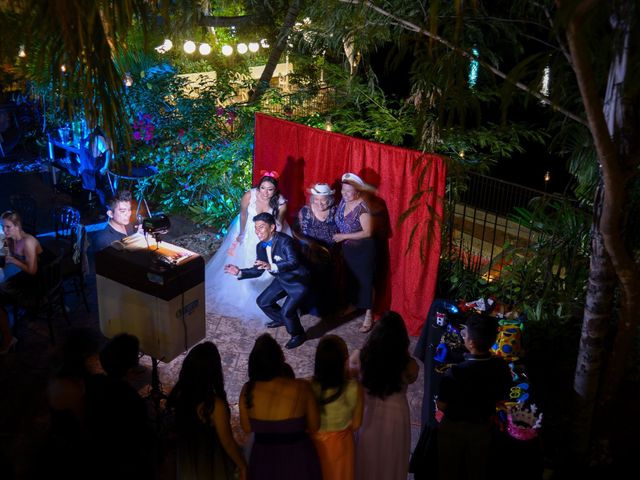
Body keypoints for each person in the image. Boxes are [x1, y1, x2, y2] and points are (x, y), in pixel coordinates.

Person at [436, 314, 512, 480]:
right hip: (482, 429)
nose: (464, 336)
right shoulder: (501, 367)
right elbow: (502, 396)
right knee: (476, 471)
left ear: (471, 342)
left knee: (449, 471)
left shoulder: (455, 372)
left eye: (465, 333)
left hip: (453, 430)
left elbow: (442, 405)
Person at [205, 172, 290, 321]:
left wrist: (270, 237)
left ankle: (267, 295)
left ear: (275, 190)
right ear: (258, 187)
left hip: (268, 234)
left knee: (267, 262)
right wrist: (242, 233)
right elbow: (243, 214)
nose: (265, 192)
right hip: (249, 230)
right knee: (244, 258)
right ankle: (242, 293)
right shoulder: (249, 196)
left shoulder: (281, 203)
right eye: (262, 188)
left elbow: (279, 225)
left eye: (270, 189)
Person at [239, 334, 321, 480]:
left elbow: (246, 428)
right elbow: (314, 426)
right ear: (280, 359)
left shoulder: (247, 390)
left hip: (263, 459)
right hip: (299, 459)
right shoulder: (302, 387)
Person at [350, 311, 419, 480]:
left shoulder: (359, 357)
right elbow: (412, 378)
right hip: (396, 419)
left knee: (366, 459)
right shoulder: (409, 365)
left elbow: (348, 377)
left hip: (367, 414)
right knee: (391, 462)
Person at [224, 212, 309, 349]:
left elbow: (293, 262)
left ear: (272, 227)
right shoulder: (261, 246)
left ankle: (298, 334)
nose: (258, 231)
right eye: (256, 228)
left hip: (297, 282)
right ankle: (281, 319)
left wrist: (271, 266)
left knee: (287, 312)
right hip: (282, 279)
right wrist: (239, 272)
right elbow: (258, 271)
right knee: (263, 302)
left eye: (261, 227)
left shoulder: (285, 241)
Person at [167, 341, 247, 480]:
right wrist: (242, 465)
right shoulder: (215, 406)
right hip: (210, 461)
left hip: (187, 457)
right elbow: (227, 442)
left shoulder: (179, 393)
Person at [309, 335, 364, 480]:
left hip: (314, 446)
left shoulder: (307, 387)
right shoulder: (354, 388)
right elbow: (357, 424)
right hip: (342, 447)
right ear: (343, 361)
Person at [333, 172, 377, 332]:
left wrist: (343, 236)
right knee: (351, 279)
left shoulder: (363, 207)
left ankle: (368, 315)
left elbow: (368, 232)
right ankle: (353, 305)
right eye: (343, 190)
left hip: (363, 250)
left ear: (357, 191)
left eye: (348, 191)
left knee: (365, 282)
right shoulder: (344, 202)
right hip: (348, 249)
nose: (344, 194)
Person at [0, 210, 43, 353]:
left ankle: (8, 336)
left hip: (36, 281)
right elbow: (6, 257)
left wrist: (12, 260)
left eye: (8, 227)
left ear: (17, 226)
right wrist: (5, 249)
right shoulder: (9, 239)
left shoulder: (28, 241)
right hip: (22, 273)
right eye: (3, 227)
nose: (4, 230)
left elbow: (32, 271)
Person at [294, 182, 340, 316]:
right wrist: (310, 243)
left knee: (325, 279)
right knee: (308, 276)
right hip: (309, 250)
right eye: (317, 200)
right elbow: (296, 231)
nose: (321, 203)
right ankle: (305, 306)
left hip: (329, 252)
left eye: (324, 200)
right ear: (313, 199)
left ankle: (322, 308)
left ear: (330, 200)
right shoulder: (305, 211)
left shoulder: (335, 210)